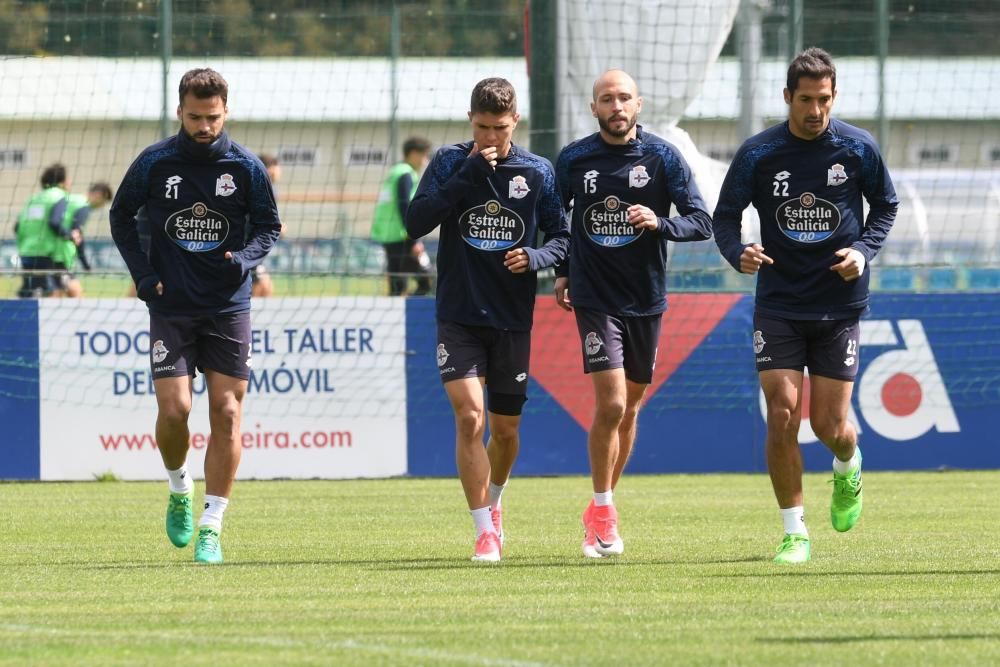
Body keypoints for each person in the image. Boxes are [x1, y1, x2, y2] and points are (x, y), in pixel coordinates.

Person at [712, 48, 898, 564]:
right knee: (782, 414)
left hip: (839, 306)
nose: (815, 110)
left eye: (824, 99)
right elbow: (724, 218)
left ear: (834, 97)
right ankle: (795, 532)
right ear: (787, 98)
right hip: (778, 304)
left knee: (830, 428)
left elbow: (886, 206)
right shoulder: (758, 154)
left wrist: (862, 252)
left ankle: (848, 464)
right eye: (806, 100)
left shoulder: (859, 148)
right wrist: (738, 252)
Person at [109, 68, 281, 564]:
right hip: (171, 305)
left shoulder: (246, 167)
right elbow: (120, 216)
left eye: (211, 117)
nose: (203, 127)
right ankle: (179, 486)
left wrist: (246, 261)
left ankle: (211, 525)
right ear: (179, 112)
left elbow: (269, 226)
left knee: (227, 412)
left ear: (226, 112)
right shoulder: (156, 162)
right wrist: (143, 275)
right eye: (194, 117)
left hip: (228, 305)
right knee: (175, 411)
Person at [405, 77, 569, 562]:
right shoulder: (450, 162)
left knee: (507, 430)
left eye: (499, 128)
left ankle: (494, 501)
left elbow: (562, 237)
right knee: (469, 415)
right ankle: (484, 532)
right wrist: (466, 177)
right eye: (482, 128)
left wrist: (537, 258)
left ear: (514, 121)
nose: (491, 138)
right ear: (469, 121)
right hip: (457, 313)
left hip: (511, 319)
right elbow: (415, 222)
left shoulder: (538, 171)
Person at [554, 70, 712, 558]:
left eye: (624, 98)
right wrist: (562, 271)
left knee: (632, 406)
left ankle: (601, 504)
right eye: (607, 99)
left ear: (638, 105)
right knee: (613, 403)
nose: (616, 106)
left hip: (645, 299)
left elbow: (701, 221)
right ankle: (603, 512)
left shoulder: (663, 157)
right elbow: (557, 221)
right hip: (594, 297)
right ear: (594, 107)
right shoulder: (575, 159)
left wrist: (658, 222)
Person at [373, 136, 434, 296]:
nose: (425, 160)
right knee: (427, 280)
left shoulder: (394, 171)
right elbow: (404, 206)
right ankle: (409, 317)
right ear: (414, 154)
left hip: (388, 235)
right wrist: (414, 240)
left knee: (397, 286)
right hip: (403, 238)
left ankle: (398, 317)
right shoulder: (406, 174)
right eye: (425, 155)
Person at [15, 163, 69, 298]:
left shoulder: (33, 199)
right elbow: (55, 222)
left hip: (26, 252)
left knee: (28, 291)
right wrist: (69, 235)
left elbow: (17, 227)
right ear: (62, 181)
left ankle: (17, 318)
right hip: (46, 253)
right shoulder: (60, 196)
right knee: (52, 291)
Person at [52, 181, 114, 297]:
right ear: (98, 195)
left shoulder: (72, 199)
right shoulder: (83, 206)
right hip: (61, 255)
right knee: (76, 295)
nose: (102, 206)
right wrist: (85, 264)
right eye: (103, 202)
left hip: (51, 252)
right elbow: (77, 236)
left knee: (58, 293)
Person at [251, 153, 283, 297]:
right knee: (264, 287)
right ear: (270, 169)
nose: (280, 172)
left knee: (264, 288)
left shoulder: (271, 189)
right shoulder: (258, 187)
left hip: (256, 251)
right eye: (278, 167)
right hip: (249, 248)